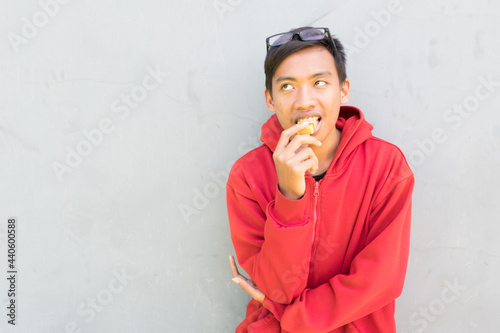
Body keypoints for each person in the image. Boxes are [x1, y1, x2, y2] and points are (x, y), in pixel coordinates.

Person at [226, 26, 414, 332]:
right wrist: (289, 196)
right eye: (287, 87)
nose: (304, 101)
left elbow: (380, 280)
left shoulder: (386, 166)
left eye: (320, 83)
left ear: (343, 90)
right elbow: (278, 289)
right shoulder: (247, 176)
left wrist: (293, 317)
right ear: (270, 100)